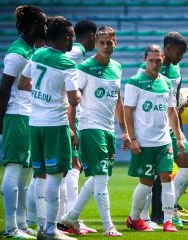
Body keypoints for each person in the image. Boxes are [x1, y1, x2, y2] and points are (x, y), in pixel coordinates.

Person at [61, 25, 127, 237]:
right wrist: (72, 128)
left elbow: (118, 101)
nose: (106, 46)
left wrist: (124, 130)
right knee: (101, 177)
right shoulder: (85, 68)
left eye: (110, 43)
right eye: (102, 43)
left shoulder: (117, 67)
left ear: (115, 43)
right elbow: (72, 103)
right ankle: (108, 227)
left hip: (109, 130)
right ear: (96, 44)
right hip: (90, 127)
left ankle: (71, 217)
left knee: (99, 177)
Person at [18, 16, 80, 240]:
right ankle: (51, 231)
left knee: (40, 176)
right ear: (66, 38)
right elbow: (74, 99)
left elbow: (23, 84)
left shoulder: (37, 54)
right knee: (56, 177)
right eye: (72, 36)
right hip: (55, 124)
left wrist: (42, 93)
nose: (73, 40)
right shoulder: (67, 62)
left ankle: (41, 225)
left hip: (35, 123)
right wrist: (72, 94)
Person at [0, 5, 46, 239]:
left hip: (28, 116)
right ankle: (10, 228)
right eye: (43, 24)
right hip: (17, 116)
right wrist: (3, 119)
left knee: (25, 173)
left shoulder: (29, 50)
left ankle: (22, 224)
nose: (45, 28)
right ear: (34, 26)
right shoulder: (17, 53)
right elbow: (4, 88)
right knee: (15, 170)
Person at [125, 44, 184, 232]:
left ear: (163, 60)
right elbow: (127, 112)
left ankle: (168, 221)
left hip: (164, 140)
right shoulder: (134, 82)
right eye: (151, 60)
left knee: (167, 177)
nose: (155, 64)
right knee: (146, 182)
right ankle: (134, 218)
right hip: (144, 142)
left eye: (158, 60)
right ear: (145, 60)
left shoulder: (166, 82)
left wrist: (179, 137)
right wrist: (133, 138)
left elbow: (172, 111)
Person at [137, 32, 188, 229]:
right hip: (153, 126)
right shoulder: (148, 70)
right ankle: (147, 217)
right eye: (179, 52)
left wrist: (181, 103)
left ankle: (169, 209)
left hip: (171, 123)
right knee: (152, 174)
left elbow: (174, 95)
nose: (181, 57)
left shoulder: (176, 67)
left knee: (187, 163)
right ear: (168, 48)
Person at [57, 19, 97, 234]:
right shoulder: (75, 53)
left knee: (70, 168)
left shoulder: (77, 55)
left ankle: (66, 220)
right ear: (91, 37)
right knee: (72, 166)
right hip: (64, 115)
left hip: (62, 114)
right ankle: (67, 221)